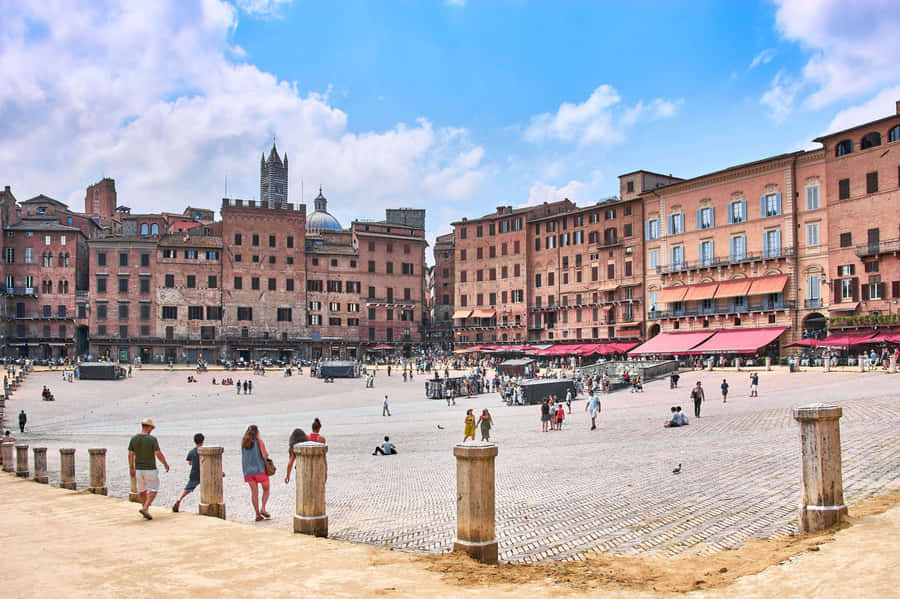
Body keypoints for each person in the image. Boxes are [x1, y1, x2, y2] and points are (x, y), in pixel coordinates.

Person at [128, 418, 169, 520]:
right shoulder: (152, 439)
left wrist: (131, 468)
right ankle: (146, 507)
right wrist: (165, 464)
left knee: (142, 489)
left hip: (138, 469)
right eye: (151, 428)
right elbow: (158, 453)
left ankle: (144, 507)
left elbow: (130, 454)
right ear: (149, 427)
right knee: (154, 489)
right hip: (150, 468)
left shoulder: (134, 439)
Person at [172, 433, 215, 513]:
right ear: (203, 441)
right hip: (204, 473)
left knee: (188, 488)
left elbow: (190, 463)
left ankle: (179, 499)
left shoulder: (192, 452)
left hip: (194, 473)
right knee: (209, 487)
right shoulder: (204, 451)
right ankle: (209, 504)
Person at [240, 425, 271, 521]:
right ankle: (263, 508)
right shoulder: (259, 442)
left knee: (254, 492)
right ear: (257, 432)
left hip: (248, 471)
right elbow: (265, 455)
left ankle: (257, 514)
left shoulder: (243, 443)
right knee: (266, 489)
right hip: (260, 470)